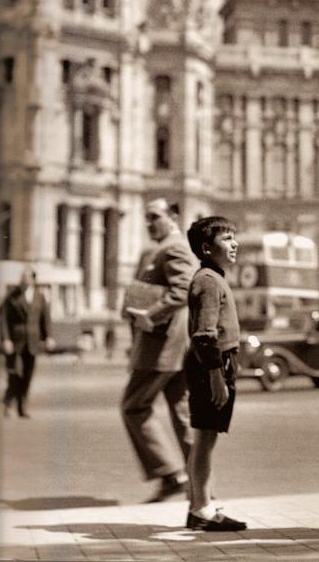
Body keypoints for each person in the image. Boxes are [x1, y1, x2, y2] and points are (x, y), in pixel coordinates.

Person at [121, 198, 197, 502]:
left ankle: (171, 474)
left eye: (154, 217)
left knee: (134, 406)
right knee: (182, 414)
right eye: (146, 218)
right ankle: (199, 486)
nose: (149, 223)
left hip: (163, 346)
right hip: (170, 345)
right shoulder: (158, 249)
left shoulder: (174, 247)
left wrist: (150, 314)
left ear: (173, 217)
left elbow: (183, 290)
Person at [184, 216, 246, 532]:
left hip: (216, 364)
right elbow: (204, 334)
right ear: (207, 248)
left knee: (205, 439)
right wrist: (215, 376)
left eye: (233, 237)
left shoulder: (213, 277)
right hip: (212, 365)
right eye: (226, 239)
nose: (234, 244)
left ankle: (201, 503)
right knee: (205, 438)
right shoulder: (208, 281)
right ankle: (201, 510)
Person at [0, 266, 55, 418]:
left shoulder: (39, 296)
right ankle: (8, 401)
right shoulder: (12, 296)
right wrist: (6, 339)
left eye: (27, 277)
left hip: (32, 342)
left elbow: (45, 318)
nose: (24, 280)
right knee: (14, 374)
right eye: (22, 277)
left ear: (33, 279)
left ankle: (21, 407)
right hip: (15, 342)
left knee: (28, 375)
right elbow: (3, 319)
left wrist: (49, 337)